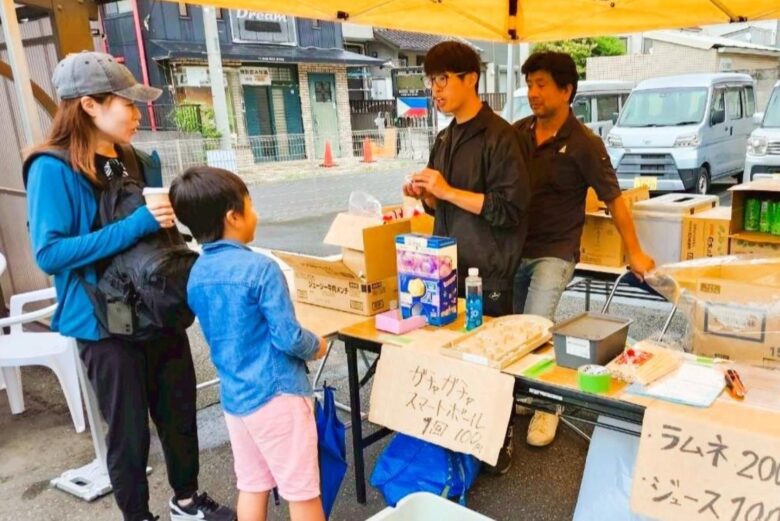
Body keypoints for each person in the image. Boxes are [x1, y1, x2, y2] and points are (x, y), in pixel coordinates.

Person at [23, 52, 235, 521]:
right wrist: (138, 224)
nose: (140, 114)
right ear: (89, 105)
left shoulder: (137, 159)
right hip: (102, 324)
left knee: (179, 415)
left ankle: (186, 501)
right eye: (128, 104)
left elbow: (157, 235)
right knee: (128, 433)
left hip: (156, 309)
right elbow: (50, 253)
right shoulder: (51, 169)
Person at [512, 52, 655, 447]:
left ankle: (548, 406)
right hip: (512, 250)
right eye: (529, 85)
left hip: (555, 252)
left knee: (537, 325)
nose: (533, 93)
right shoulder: (518, 132)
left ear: (566, 90)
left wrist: (635, 253)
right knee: (511, 330)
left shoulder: (584, 144)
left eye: (541, 85)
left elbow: (615, 199)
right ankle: (526, 391)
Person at [170, 166, 328, 521]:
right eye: (250, 206)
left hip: (237, 399)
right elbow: (288, 337)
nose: (255, 215)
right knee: (301, 491)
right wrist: (317, 346)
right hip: (278, 396)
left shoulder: (198, 273)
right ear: (233, 216)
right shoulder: (260, 269)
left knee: (252, 484)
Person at [403, 41, 530, 473]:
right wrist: (425, 195)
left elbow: (509, 211)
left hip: (487, 272)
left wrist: (446, 191)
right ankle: (459, 441)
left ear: (470, 78)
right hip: (443, 268)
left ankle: (499, 443)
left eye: (442, 80)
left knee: (491, 364)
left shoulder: (502, 137)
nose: (434, 90)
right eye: (431, 81)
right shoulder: (444, 137)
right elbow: (441, 207)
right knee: (448, 360)